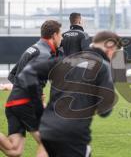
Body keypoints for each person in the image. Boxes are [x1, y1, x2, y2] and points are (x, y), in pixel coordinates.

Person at [17, 31, 123, 157]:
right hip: (74, 134)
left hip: (48, 128)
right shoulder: (103, 67)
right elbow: (105, 111)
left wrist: (37, 102)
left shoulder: (66, 60)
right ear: (110, 47)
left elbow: (27, 73)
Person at [0, 20, 62, 157]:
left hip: (13, 103)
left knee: (14, 150)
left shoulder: (33, 48)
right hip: (25, 103)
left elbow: (13, 75)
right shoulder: (44, 54)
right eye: (60, 35)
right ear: (54, 35)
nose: (61, 38)